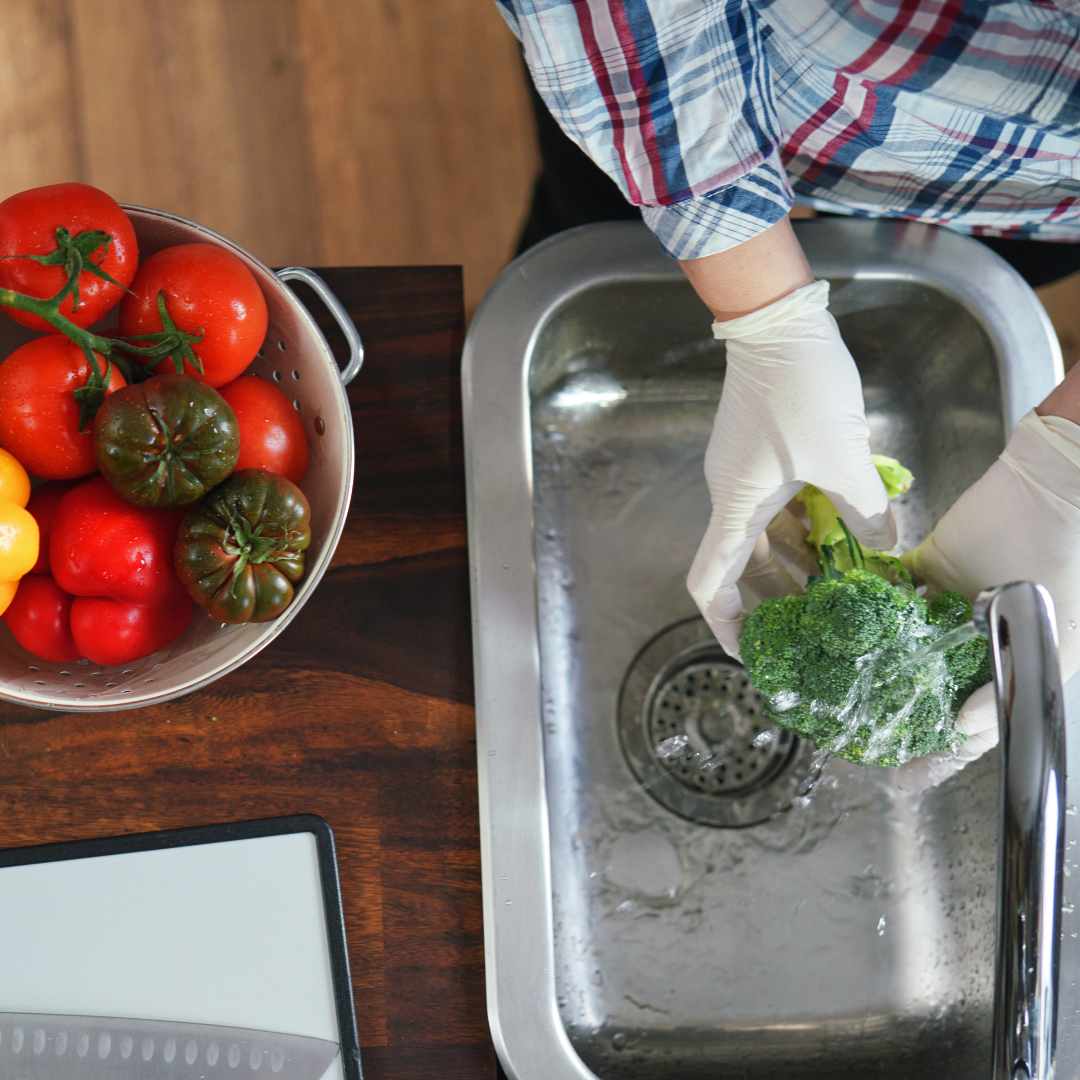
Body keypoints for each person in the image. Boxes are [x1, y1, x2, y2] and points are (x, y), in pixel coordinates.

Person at [498, 0, 1080, 764]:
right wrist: (763, 313)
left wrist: (1068, 470)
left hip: (1017, 189)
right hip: (694, 91)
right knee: (595, 226)